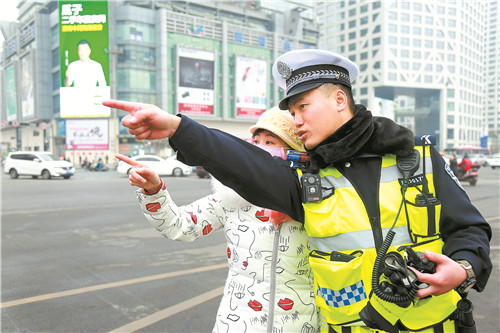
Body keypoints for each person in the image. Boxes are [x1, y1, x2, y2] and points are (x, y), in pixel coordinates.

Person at [103, 49, 491, 333]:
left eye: (303, 106)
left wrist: (464, 269)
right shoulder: (306, 181)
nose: (297, 120)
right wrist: (177, 128)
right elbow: (245, 164)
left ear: (340, 99)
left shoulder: (418, 158)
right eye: (292, 112)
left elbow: (470, 229)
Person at [115, 108, 319, 333]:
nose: (259, 149)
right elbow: (179, 225)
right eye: (256, 141)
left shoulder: (317, 202)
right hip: (234, 326)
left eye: (269, 142)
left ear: (294, 152)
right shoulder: (231, 197)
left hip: (302, 325)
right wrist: (153, 190)